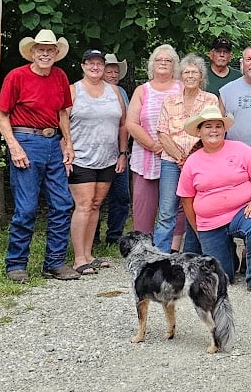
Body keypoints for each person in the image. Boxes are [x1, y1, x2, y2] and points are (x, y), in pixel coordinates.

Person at [0, 28, 77, 283]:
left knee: (63, 203)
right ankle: (16, 264)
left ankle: (54, 262)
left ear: (56, 53)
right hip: (26, 140)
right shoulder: (16, 77)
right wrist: (14, 146)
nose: (45, 53)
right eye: (40, 49)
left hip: (53, 142)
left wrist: (68, 144)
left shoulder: (60, 76)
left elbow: (63, 112)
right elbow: (2, 114)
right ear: (32, 52)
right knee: (27, 207)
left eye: (49, 50)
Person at [176, 104, 251, 295]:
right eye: (208, 126)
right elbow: (186, 199)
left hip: (241, 211)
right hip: (209, 222)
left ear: (224, 129)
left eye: (218, 126)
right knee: (223, 277)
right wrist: (198, 229)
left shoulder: (240, 149)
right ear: (199, 131)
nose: (214, 130)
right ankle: (230, 255)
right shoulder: (192, 162)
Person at [68, 49, 127, 274]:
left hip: (108, 158)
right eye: (90, 63)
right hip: (81, 156)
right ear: (83, 66)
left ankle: (89, 253)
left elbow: (122, 124)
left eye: (99, 64)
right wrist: (67, 149)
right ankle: (78, 258)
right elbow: (62, 122)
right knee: (83, 205)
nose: (95, 67)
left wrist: (122, 152)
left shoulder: (114, 91)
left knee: (95, 205)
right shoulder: (74, 90)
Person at [153, 54, 217, 253]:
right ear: (181, 76)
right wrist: (181, 159)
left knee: (199, 208)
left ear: (201, 76)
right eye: (186, 72)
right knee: (166, 211)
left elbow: (213, 132)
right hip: (171, 162)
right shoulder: (169, 100)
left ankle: (198, 253)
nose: (190, 76)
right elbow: (162, 132)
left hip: (200, 162)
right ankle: (160, 257)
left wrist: (191, 159)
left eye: (194, 72)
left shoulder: (210, 100)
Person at [125, 44, 179, 236]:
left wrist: (170, 150)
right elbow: (131, 123)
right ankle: (143, 252)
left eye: (168, 60)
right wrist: (155, 146)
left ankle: (172, 253)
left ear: (175, 66)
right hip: (145, 159)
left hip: (177, 159)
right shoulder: (142, 90)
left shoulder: (183, 88)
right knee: (143, 209)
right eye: (159, 59)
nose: (163, 63)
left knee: (175, 209)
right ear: (152, 64)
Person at [98, 53, 131, 246]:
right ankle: (92, 236)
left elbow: (125, 124)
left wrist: (123, 151)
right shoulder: (88, 91)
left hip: (119, 152)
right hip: (96, 152)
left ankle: (114, 236)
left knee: (121, 195)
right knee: (95, 197)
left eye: (116, 71)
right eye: (109, 71)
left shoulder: (122, 93)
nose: (113, 74)